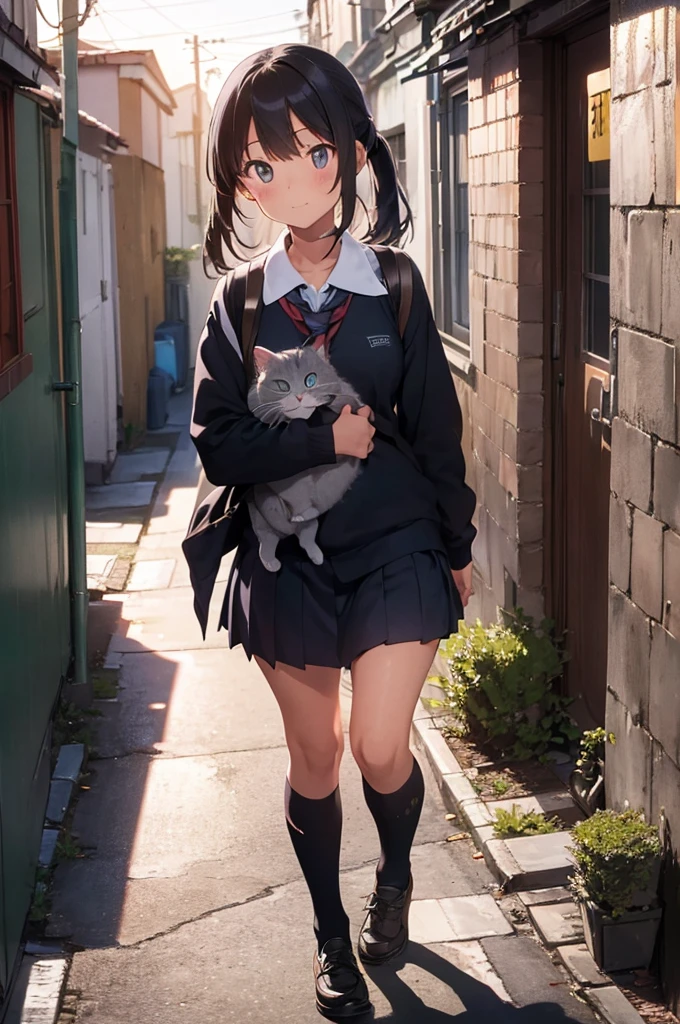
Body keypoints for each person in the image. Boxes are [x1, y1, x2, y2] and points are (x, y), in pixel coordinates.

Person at [190, 43, 477, 1021]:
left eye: (311, 151)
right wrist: (319, 430)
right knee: (314, 755)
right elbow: (217, 444)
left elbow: (435, 424)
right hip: (286, 560)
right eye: (261, 165)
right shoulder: (236, 305)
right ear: (243, 180)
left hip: (395, 540)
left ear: (352, 154)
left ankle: (393, 870)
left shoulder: (392, 286)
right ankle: (328, 935)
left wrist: (458, 541)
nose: (289, 179)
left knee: (381, 746)